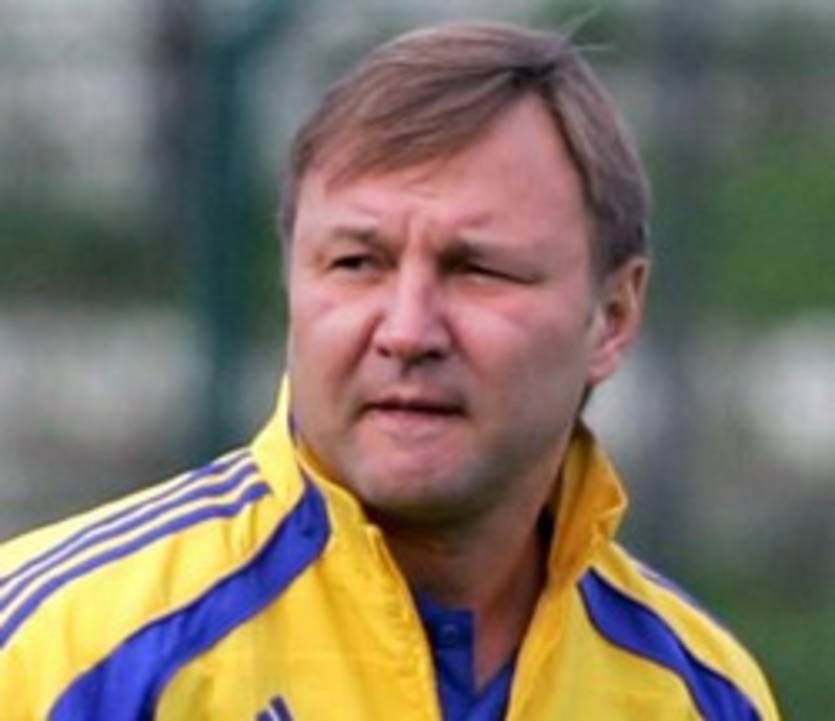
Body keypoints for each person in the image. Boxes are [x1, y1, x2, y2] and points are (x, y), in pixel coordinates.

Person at [0, 21, 780, 721]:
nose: (407, 330)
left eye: (477, 269)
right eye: (356, 263)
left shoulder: (701, 696)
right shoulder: (59, 655)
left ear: (611, 315)